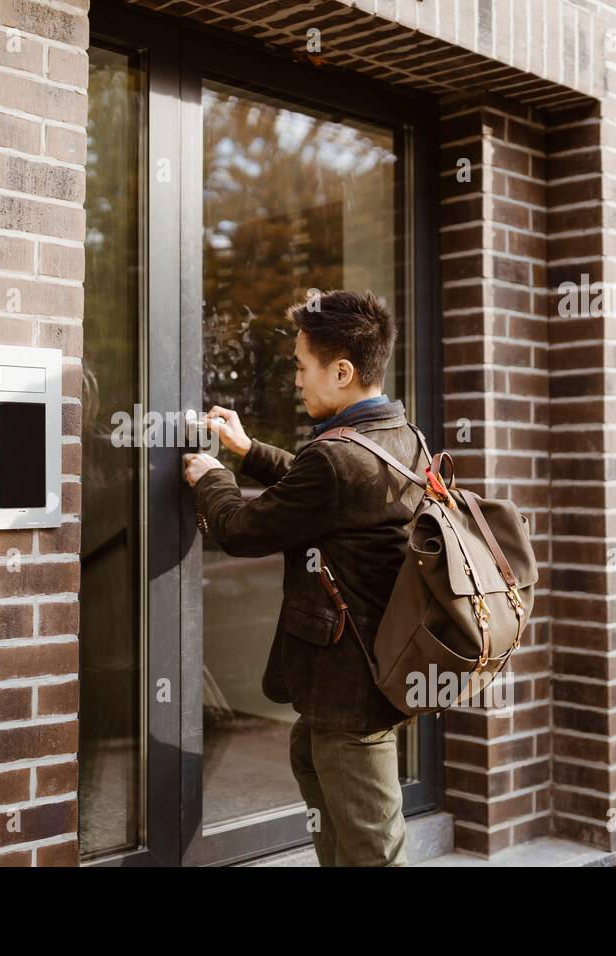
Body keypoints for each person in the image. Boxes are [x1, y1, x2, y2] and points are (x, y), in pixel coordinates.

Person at [182, 288, 429, 867]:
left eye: (300, 366)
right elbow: (322, 490)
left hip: (353, 689)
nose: (295, 380)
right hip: (373, 671)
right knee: (311, 759)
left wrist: (211, 476)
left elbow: (244, 529)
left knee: (374, 847)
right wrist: (247, 452)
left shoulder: (339, 459)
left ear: (342, 371)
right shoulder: (400, 438)